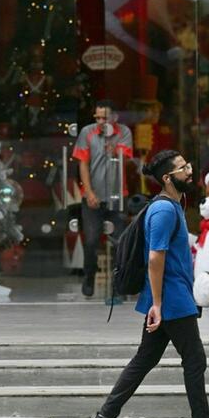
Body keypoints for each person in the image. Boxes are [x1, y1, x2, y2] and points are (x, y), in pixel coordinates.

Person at [84, 150, 209, 418]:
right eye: (184, 168)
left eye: (188, 164)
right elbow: (156, 258)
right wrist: (157, 303)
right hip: (170, 300)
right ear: (168, 178)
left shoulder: (173, 206)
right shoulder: (165, 211)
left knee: (145, 359)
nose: (190, 171)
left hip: (170, 297)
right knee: (195, 360)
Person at [72, 100, 133, 297]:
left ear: (114, 118)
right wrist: (88, 192)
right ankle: (89, 276)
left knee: (120, 242)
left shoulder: (123, 132)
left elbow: (127, 159)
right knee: (90, 240)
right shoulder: (87, 133)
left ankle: (118, 283)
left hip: (117, 196)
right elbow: (83, 164)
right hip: (93, 196)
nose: (100, 122)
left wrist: (114, 149)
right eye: (97, 117)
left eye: (104, 118)